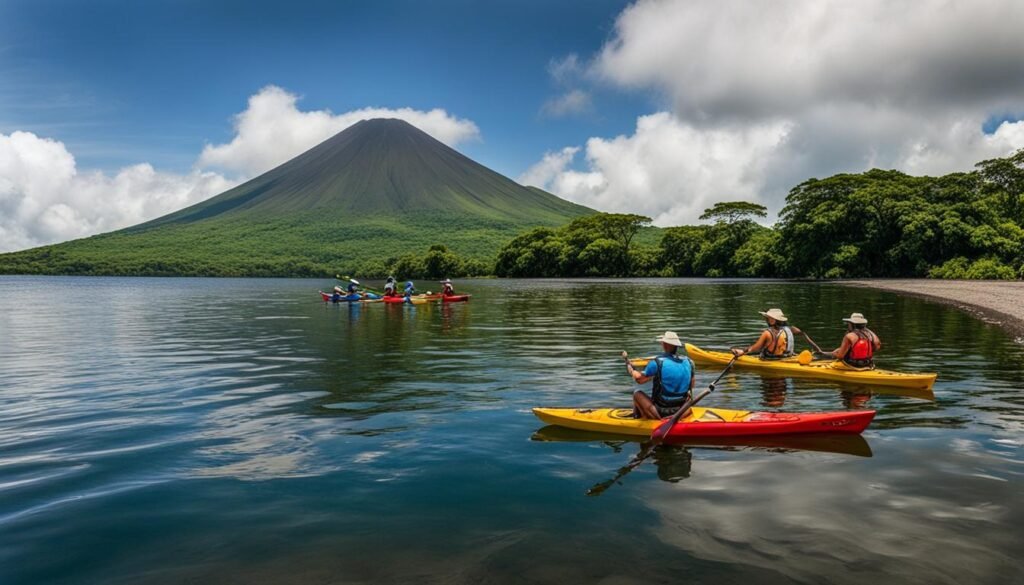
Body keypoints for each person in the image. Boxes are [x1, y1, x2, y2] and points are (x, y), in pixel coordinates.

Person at [624, 331, 696, 420]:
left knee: (637, 394)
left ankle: (639, 418)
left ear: (665, 344)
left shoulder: (657, 362)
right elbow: (692, 385)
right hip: (680, 409)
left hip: (660, 411)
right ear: (676, 346)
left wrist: (632, 371)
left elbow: (639, 380)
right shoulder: (689, 362)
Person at [731, 308, 804, 360]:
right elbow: (805, 336)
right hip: (787, 358)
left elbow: (755, 348)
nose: (766, 320)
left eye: (768, 318)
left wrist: (742, 351)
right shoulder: (790, 329)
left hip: (771, 361)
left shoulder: (767, 333)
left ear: (772, 320)